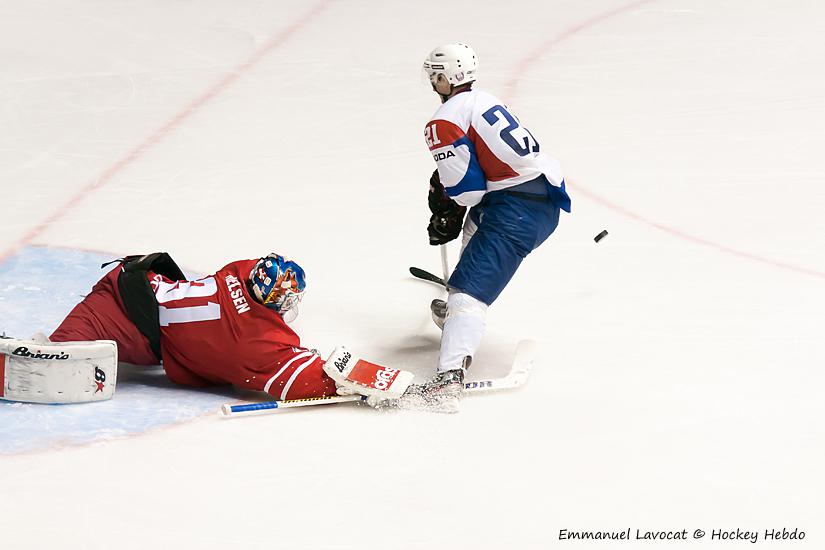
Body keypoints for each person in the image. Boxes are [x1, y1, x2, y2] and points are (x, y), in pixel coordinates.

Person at [419, 42, 571, 398]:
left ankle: (449, 377)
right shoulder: (484, 99)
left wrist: (447, 199)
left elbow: (468, 193)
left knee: (468, 293)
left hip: (518, 211)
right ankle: (457, 320)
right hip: (538, 195)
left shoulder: (443, 120)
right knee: (473, 231)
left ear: (443, 79)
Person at [48, 252, 339, 401]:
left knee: (57, 352)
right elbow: (308, 380)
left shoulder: (240, 270)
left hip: (134, 278)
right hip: (124, 319)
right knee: (55, 364)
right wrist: (348, 378)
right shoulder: (251, 343)